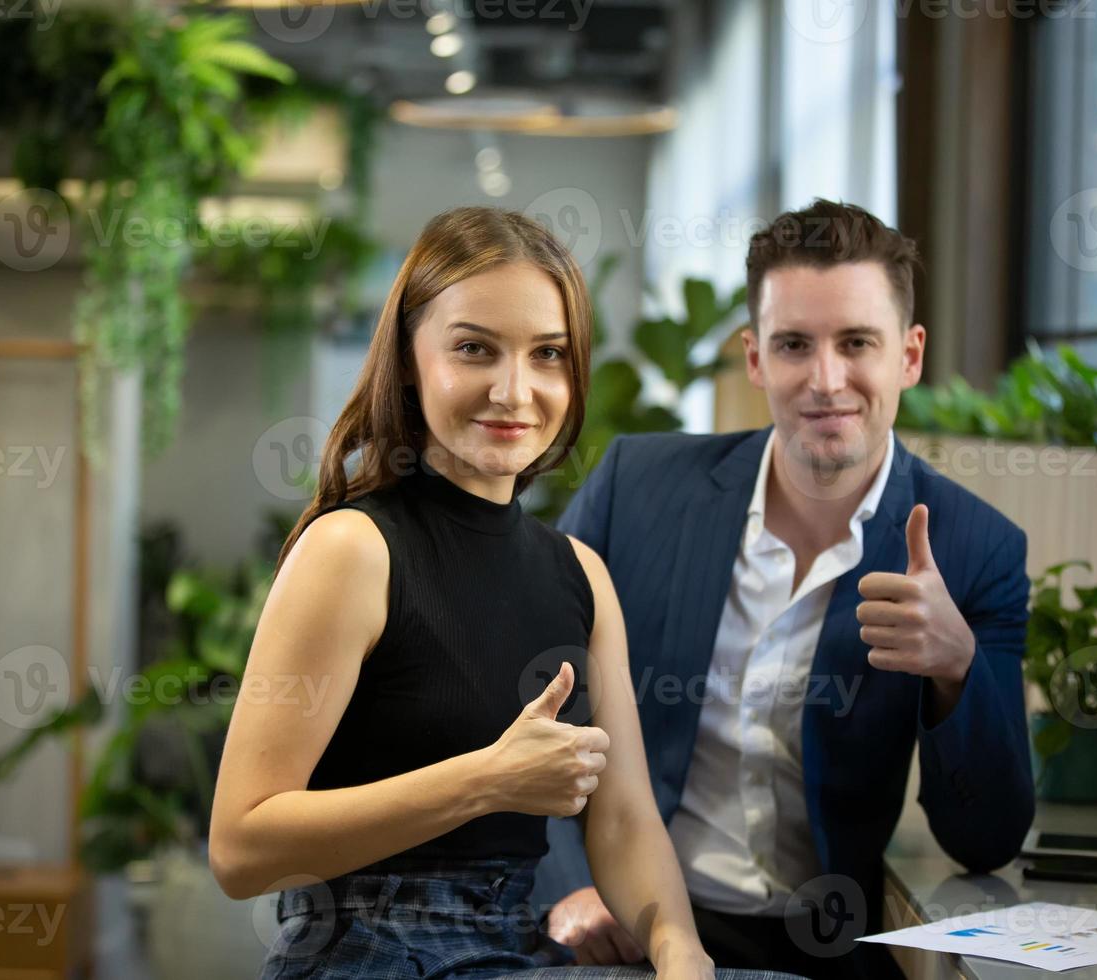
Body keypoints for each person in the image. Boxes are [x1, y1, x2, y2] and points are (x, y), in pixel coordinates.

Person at [208, 206, 727, 979]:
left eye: (547, 354)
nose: (514, 391)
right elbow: (241, 849)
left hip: (511, 946)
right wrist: (487, 780)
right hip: (364, 952)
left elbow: (621, 820)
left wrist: (678, 948)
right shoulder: (353, 548)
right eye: (475, 350)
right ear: (411, 361)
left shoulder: (580, 573)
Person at [536, 200, 1035, 979]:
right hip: (624, 926)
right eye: (795, 344)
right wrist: (572, 886)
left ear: (908, 355)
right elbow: (525, 700)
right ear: (756, 358)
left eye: (857, 343)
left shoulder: (977, 553)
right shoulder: (635, 486)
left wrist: (956, 667)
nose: (826, 380)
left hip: (824, 952)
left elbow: (986, 840)